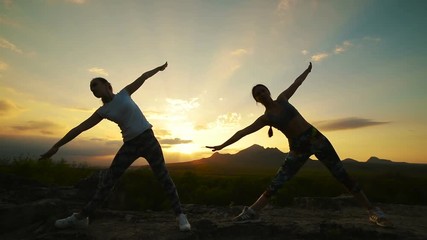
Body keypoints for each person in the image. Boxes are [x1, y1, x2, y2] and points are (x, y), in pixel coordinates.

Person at [206, 62, 392, 228]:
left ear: (268, 91)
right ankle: (252, 212)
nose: (261, 94)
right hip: (298, 148)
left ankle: (373, 212)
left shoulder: (283, 99)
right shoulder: (265, 118)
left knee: (342, 175)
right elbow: (242, 132)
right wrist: (222, 145)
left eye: (262, 90)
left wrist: (307, 72)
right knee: (277, 182)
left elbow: (296, 83)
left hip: (316, 139)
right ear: (256, 100)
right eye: (257, 94)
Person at [40, 62, 191, 231]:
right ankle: (82, 217)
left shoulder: (124, 94)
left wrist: (158, 69)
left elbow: (143, 77)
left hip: (148, 140)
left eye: (95, 85)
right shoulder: (102, 111)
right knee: (108, 181)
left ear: (107, 85)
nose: (93, 89)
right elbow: (79, 128)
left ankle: (180, 215)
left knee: (163, 177)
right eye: (91, 89)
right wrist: (57, 145)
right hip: (130, 145)